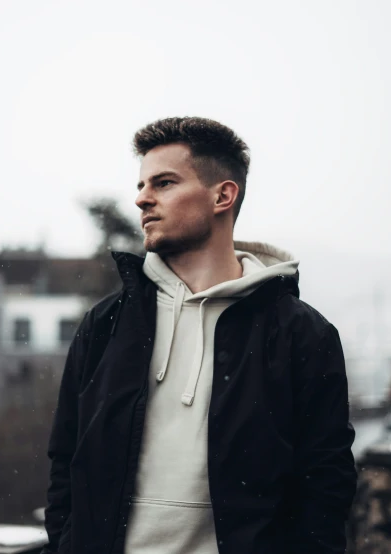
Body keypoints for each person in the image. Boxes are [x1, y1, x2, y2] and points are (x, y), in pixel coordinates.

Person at [42, 117, 357, 554]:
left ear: (223, 195)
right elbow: (65, 463)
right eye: (141, 185)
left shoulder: (300, 334)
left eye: (164, 183)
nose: (142, 199)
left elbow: (325, 483)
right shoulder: (106, 325)